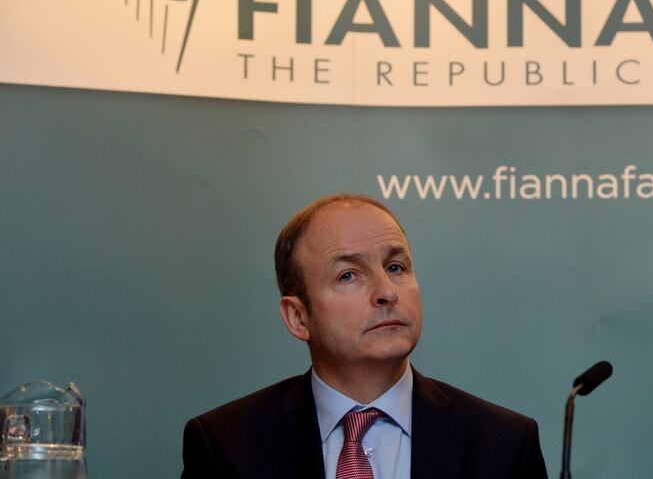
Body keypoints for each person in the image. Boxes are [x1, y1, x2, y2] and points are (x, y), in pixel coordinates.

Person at [181, 194, 548, 479]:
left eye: (395, 267)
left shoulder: (503, 444)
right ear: (297, 317)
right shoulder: (225, 446)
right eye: (348, 276)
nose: (387, 291)